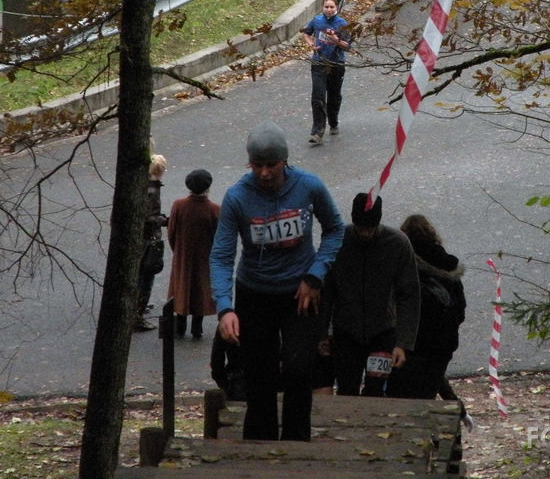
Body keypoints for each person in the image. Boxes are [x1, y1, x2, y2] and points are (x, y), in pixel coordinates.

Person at [209, 120, 345, 442]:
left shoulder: (308, 186)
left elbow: (335, 229)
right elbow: (221, 255)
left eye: (272, 165)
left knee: (299, 372)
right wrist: (225, 308)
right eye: (257, 166)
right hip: (255, 294)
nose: (265, 173)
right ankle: (260, 444)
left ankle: (297, 444)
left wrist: (316, 274)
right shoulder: (237, 197)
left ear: (285, 161)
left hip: (301, 291)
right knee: (259, 376)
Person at [322, 193, 420, 397]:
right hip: (346, 333)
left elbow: (409, 295)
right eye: (360, 228)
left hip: (383, 332)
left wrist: (403, 343)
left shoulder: (398, 244)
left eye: (370, 228)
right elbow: (326, 291)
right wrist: (322, 333)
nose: (365, 233)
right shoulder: (339, 242)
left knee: (375, 389)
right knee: (347, 389)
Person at [385, 214, 467, 407]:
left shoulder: (402, 262)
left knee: (400, 396)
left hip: (410, 344)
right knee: (427, 393)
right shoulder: (449, 265)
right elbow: (459, 309)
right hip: (442, 344)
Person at [167, 169, 220, 339]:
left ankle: (180, 324)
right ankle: (197, 327)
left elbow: (171, 231)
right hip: (205, 256)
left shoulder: (178, 205)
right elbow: (218, 236)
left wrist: (177, 249)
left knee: (182, 287)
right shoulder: (214, 209)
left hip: (183, 255)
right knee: (201, 288)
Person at [302, 0, 351, 145]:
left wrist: (335, 40)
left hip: (336, 64)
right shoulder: (317, 21)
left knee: (334, 96)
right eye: (326, 7)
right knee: (318, 96)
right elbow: (306, 32)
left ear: (336, 8)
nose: (329, 10)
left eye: (331, 7)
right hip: (318, 62)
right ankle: (317, 132)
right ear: (322, 8)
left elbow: (347, 46)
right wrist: (311, 43)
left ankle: (333, 121)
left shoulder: (342, 24)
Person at [135, 154, 168, 332]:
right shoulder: (152, 190)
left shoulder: (143, 184)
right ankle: (137, 314)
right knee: (147, 274)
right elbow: (149, 217)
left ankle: (136, 307)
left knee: (140, 273)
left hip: (141, 237)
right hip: (149, 237)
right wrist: (165, 221)